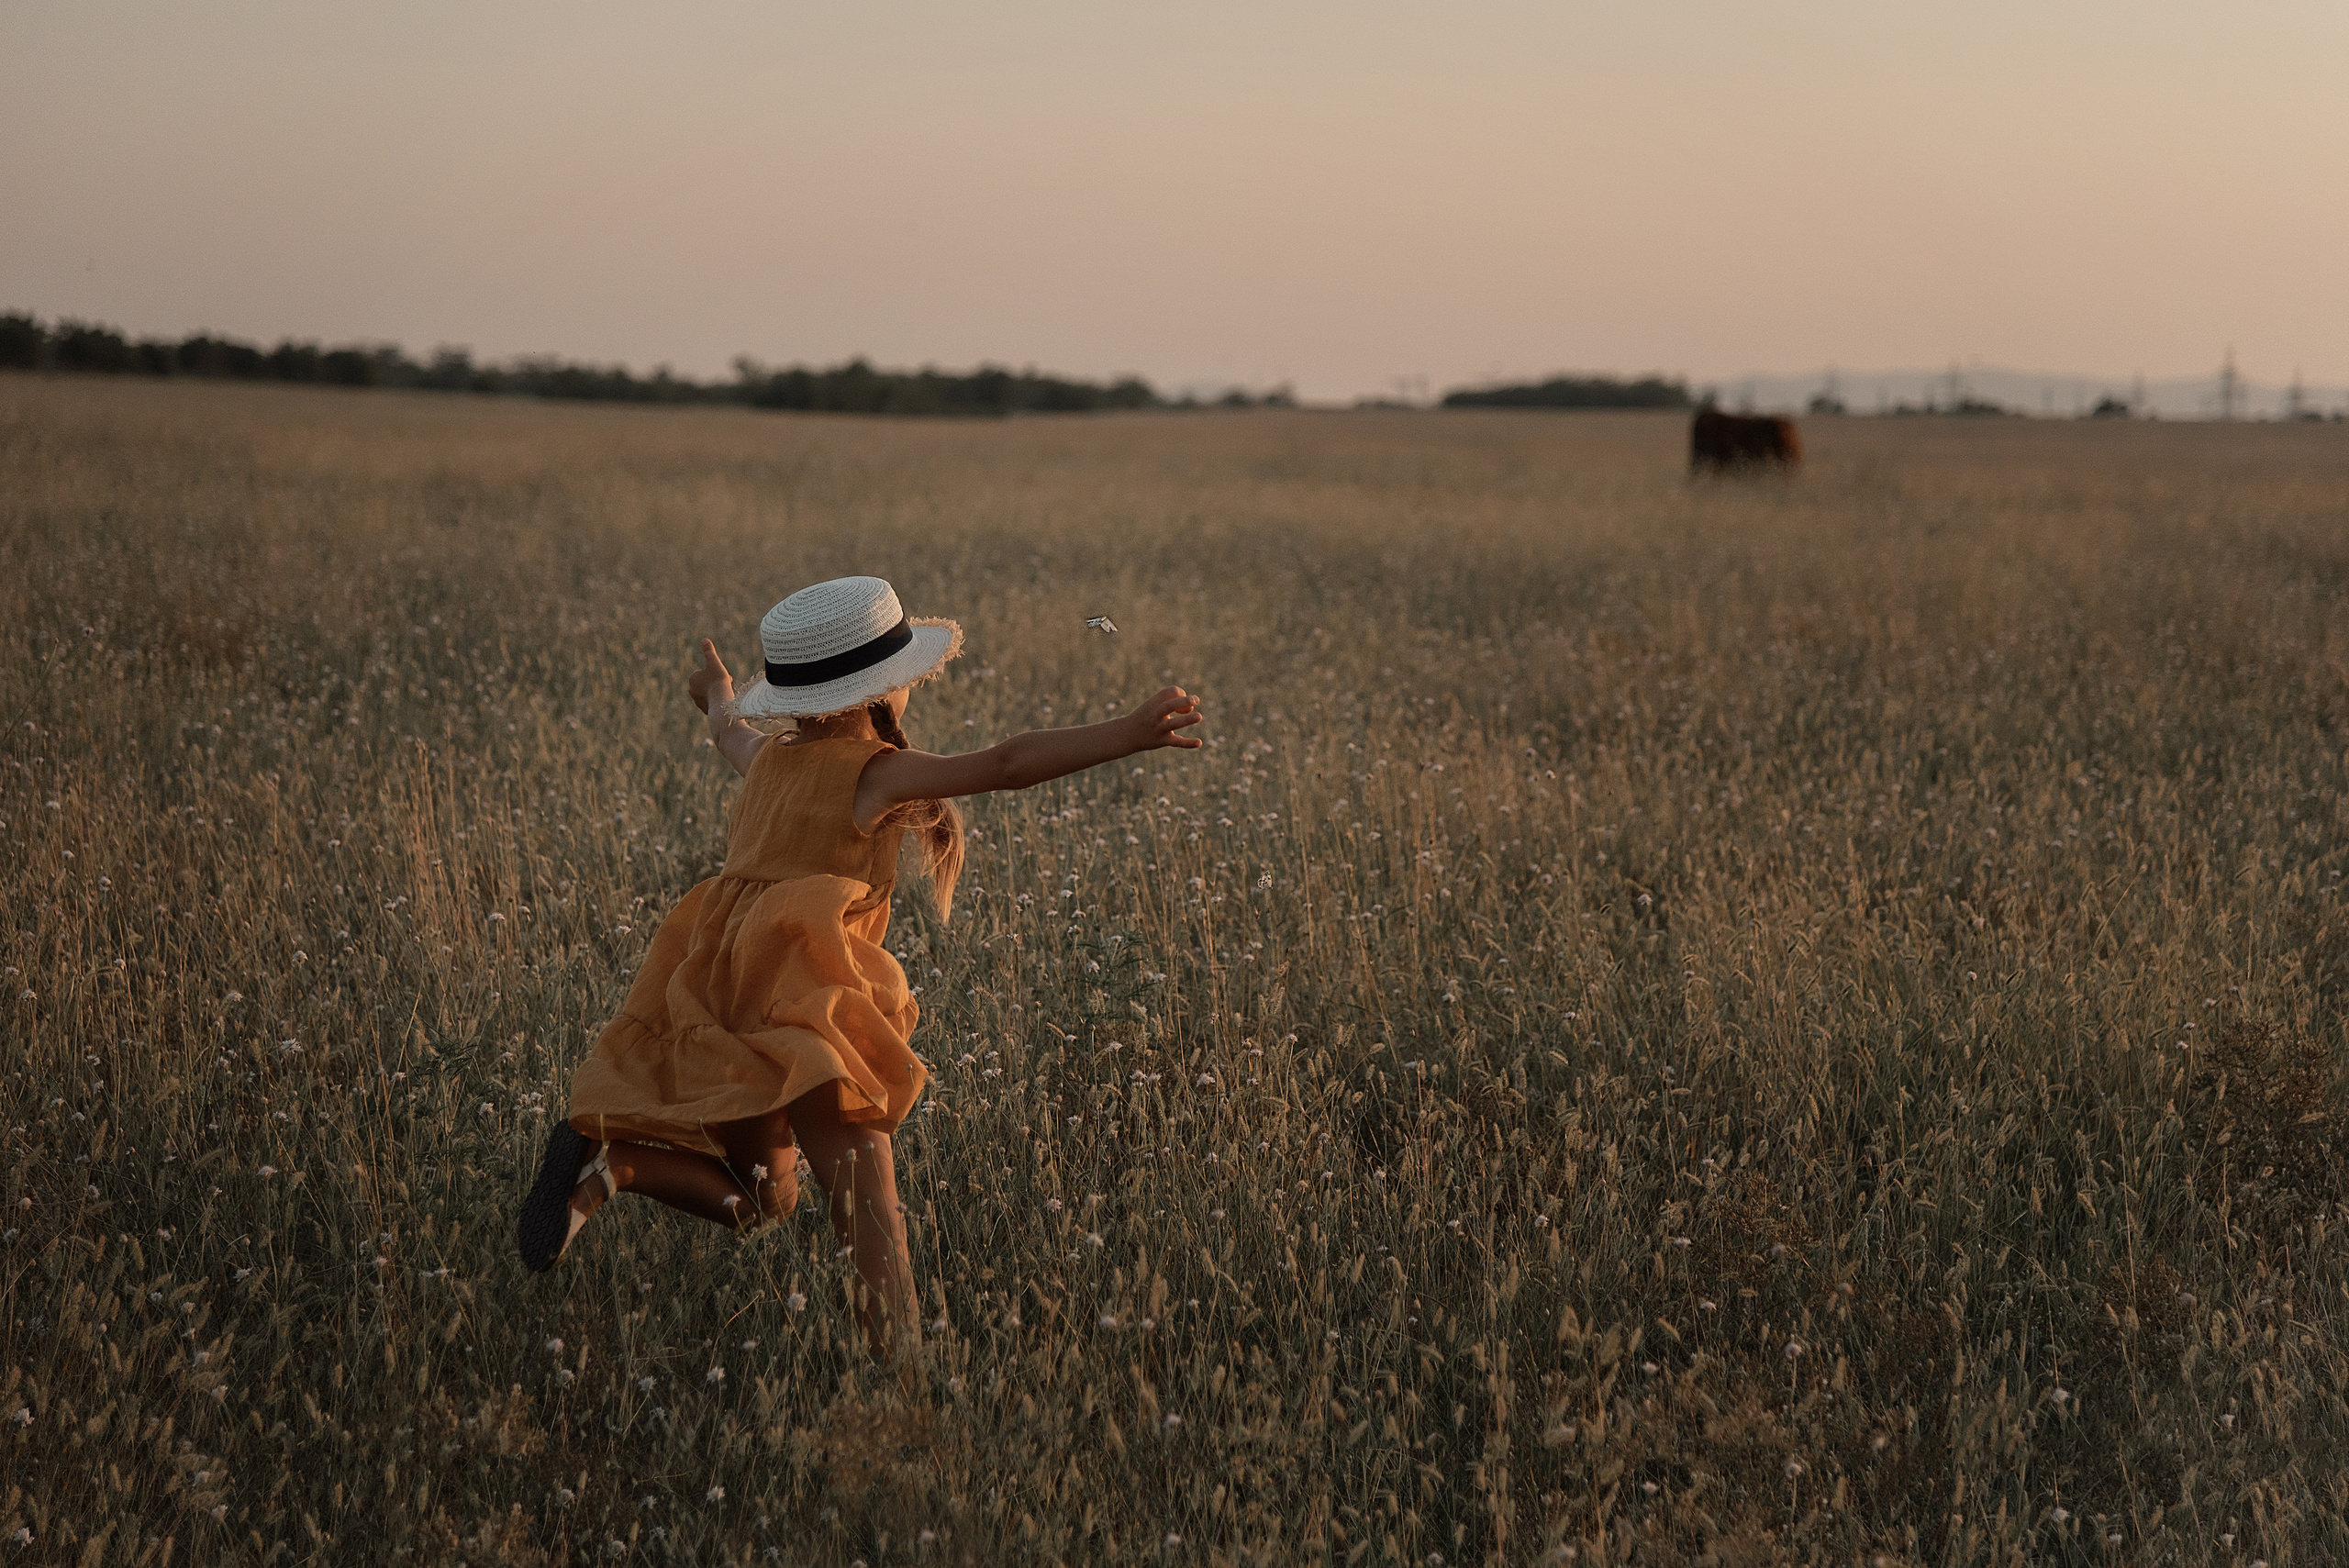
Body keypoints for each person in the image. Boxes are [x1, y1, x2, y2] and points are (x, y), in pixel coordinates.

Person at [514, 575, 1202, 1362]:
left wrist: (717, 693)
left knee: (765, 1197)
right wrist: (1128, 731)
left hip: (723, 991)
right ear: (878, 691)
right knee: (872, 1218)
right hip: (810, 1003)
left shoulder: (768, 759)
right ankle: (900, 1393)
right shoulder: (872, 772)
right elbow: (1007, 763)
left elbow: (725, 731)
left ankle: (611, 1168)